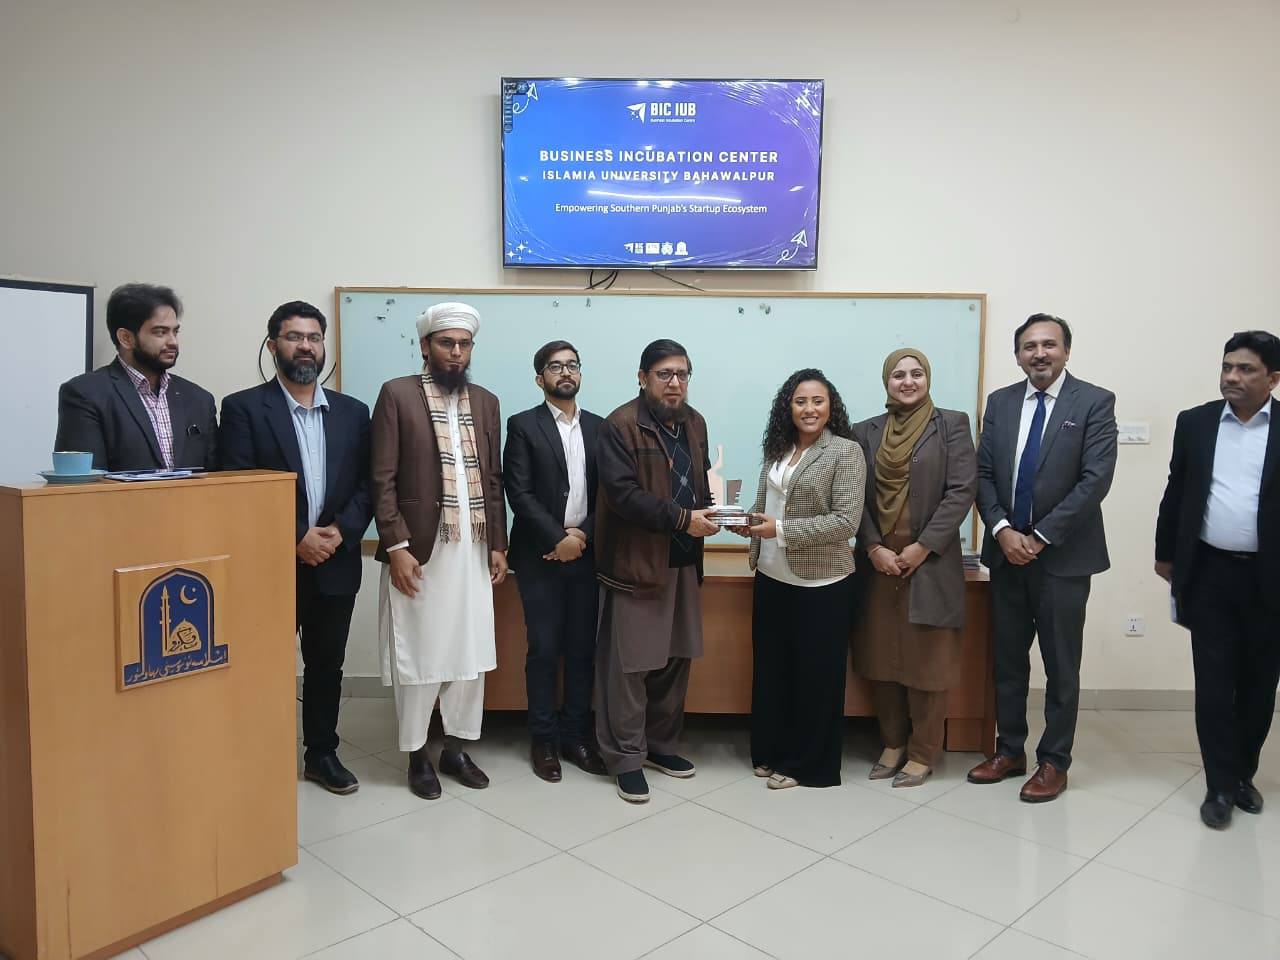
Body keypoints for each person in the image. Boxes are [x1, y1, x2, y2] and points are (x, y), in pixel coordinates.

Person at [220, 301, 372, 795]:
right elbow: (237, 485)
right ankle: (259, 755)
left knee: (327, 666)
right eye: (294, 337)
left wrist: (341, 531)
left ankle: (322, 755)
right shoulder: (243, 408)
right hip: (269, 563)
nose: (306, 346)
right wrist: (295, 536)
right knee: (263, 665)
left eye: (313, 337)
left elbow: (369, 484)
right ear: (273, 346)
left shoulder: (353, 412)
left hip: (335, 560)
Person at [967, 314, 1117, 802]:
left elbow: (1095, 480)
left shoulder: (1094, 402)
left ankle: (1054, 761)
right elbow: (983, 474)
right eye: (1029, 346)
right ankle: (1009, 751)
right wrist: (1002, 530)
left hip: (1063, 560)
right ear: (1017, 356)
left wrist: (1042, 536)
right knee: (1008, 661)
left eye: (1049, 344)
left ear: (1066, 351)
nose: (1039, 353)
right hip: (1007, 555)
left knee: (1061, 666)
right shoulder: (1001, 403)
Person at [370, 302, 508, 799]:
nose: (455, 352)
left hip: (472, 548)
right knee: (421, 653)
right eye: (446, 343)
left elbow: (493, 479)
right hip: (420, 550)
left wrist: (498, 544)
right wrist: (396, 546)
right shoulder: (397, 394)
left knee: (470, 652)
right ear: (425, 346)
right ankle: (416, 755)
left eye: (464, 344)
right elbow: (382, 478)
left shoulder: (486, 401)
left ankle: (456, 749)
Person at [1155, 330, 1280, 829]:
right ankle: (1220, 785)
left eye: (1246, 369)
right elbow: (1177, 488)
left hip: (1269, 577)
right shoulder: (1197, 422)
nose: (1232, 377)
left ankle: (1244, 773)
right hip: (1209, 571)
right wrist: (1165, 553)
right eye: (1227, 367)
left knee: (1259, 684)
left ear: (1273, 378)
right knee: (1213, 682)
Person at [594, 339, 720, 803]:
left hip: (684, 562)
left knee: (674, 660)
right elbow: (623, 496)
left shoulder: (695, 421)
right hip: (636, 565)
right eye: (664, 374)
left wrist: (717, 513)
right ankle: (626, 758)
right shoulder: (619, 425)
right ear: (642, 377)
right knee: (631, 667)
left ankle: (661, 746)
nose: (674, 383)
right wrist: (685, 519)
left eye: (682, 374)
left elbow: (699, 483)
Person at [851, 349, 977, 788]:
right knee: (881, 658)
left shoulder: (952, 425)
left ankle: (923, 752)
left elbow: (962, 491)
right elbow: (854, 496)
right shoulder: (864, 431)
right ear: (887, 381)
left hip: (931, 564)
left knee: (928, 663)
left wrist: (923, 547)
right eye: (899, 375)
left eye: (917, 373)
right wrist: (872, 547)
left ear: (928, 378)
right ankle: (892, 743)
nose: (908, 381)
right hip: (878, 567)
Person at [735, 369, 865, 790]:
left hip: (821, 584)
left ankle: (810, 766)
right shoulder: (779, 448)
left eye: (817, 401)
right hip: (771, 575)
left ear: (831, 407)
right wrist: (747, 522)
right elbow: (769, 505)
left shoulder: (845, 452)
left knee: (815, 678)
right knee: (773, 671)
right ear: (787, 408)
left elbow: (845, 522)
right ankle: (770, 751)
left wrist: (780, 529)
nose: (809, 409)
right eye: (800, 401)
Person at [504, 340, 608, 782]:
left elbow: (610, 492)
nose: (565, 372)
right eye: (555, 366)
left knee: (582, 649)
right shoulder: (523, 425)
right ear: (539, 378)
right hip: (540, 555)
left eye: (572, 365)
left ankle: (575, 736)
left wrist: (581, 535)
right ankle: (543, 739)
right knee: (544, 649)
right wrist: (557, 538)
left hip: (587, 552)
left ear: (580, 373)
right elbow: (519, 491)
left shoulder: (601, 427)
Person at [56, 283, 218, 471]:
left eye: (175, 331)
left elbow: (217, 478)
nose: (173, 341)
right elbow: (82, 479)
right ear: (126, 338)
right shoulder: (86, 394)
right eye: (160, 332)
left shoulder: (199, 399)